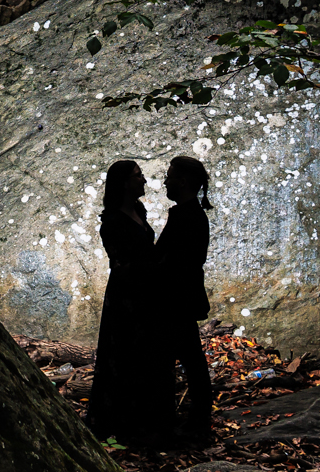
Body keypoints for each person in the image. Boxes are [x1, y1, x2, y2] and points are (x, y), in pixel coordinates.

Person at [86, 159, 173, 444]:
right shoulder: (112, 221)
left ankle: (146, 419)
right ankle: (124, 423)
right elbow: (122, 264)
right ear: (124, 182)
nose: (144, 180)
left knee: (146, 355)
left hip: (147, 293)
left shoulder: (138, 210)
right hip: (128, 297)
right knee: (125, 355)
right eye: (138, 176)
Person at [157, 155, 214, 443]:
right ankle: (196, 418)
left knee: (187, 359)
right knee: (191, 358)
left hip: (176, 300)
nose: (164, 181)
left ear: (181, 181)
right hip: (180, 298)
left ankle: (197, 421)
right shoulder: (189, 213)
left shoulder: (187, 216)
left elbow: (174, 262)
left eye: (169, 175)